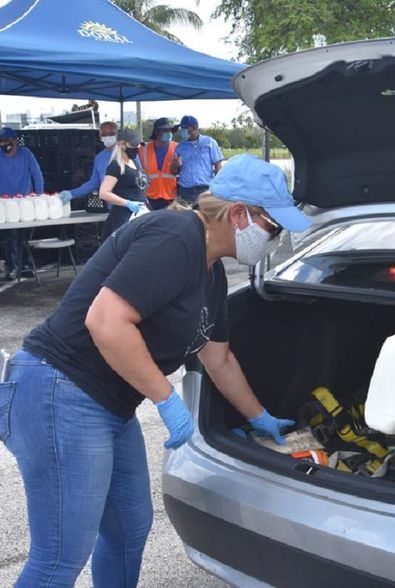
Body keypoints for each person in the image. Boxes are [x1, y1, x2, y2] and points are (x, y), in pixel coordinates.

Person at [0, 153, 312, 586]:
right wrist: (166, 399)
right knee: (60, 556)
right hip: (59, 388)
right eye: (273, 228)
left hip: (109, 403)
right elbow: (105, 321)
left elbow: (217, 356)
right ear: (239, 214)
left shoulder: (213, 274)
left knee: (129, 528)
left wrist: (259, 417)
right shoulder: (175, 234)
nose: (274, 240)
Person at [0, 126, 43, 280]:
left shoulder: (26, 154)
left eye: (8, 140)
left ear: (16, 140)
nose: (5, 144)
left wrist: (39, 196)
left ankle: (25, 265)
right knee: (8, 236)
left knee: (24, 236)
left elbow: (37, 175)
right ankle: (11, 266)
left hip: (25, 203)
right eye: (2, 141)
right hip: (4, 205)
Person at [98, 128, 149, 240]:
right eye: (133, 145)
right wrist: (127, 203)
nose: (136, 148)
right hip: (124, 217)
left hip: (139, 214)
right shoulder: (115, 166)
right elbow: (103, 193)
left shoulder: (134, 162)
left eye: (138, 145)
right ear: (122, 145)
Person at [58, 121, 119, 205]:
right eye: (104, 134)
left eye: (111, 134)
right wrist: (72, 193)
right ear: (100, 136)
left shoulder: (126, 154)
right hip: (113, 208)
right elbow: (94, 183)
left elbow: (138, 179)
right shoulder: (99, 158)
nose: (107, 136)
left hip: (130, 205)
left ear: (117, 134)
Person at [172, 115, 225, 203]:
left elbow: (218, 166)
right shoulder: (179, 147)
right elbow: (174, 171)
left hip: (205, 189)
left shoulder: (209, 143)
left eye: (185, 128)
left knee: (205, 215)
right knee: (185, 216)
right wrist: (175, 165)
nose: (182, 130)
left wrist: (218, 187)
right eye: (182, 128)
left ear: (194, 128)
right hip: (185, 190)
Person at [140, 117, 179, 210]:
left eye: (170, 130)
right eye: (165, 130)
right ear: (157, 132)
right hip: (150, 197)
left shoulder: (178, 148)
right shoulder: (143, 149)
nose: (169, 133)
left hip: (172, 196)